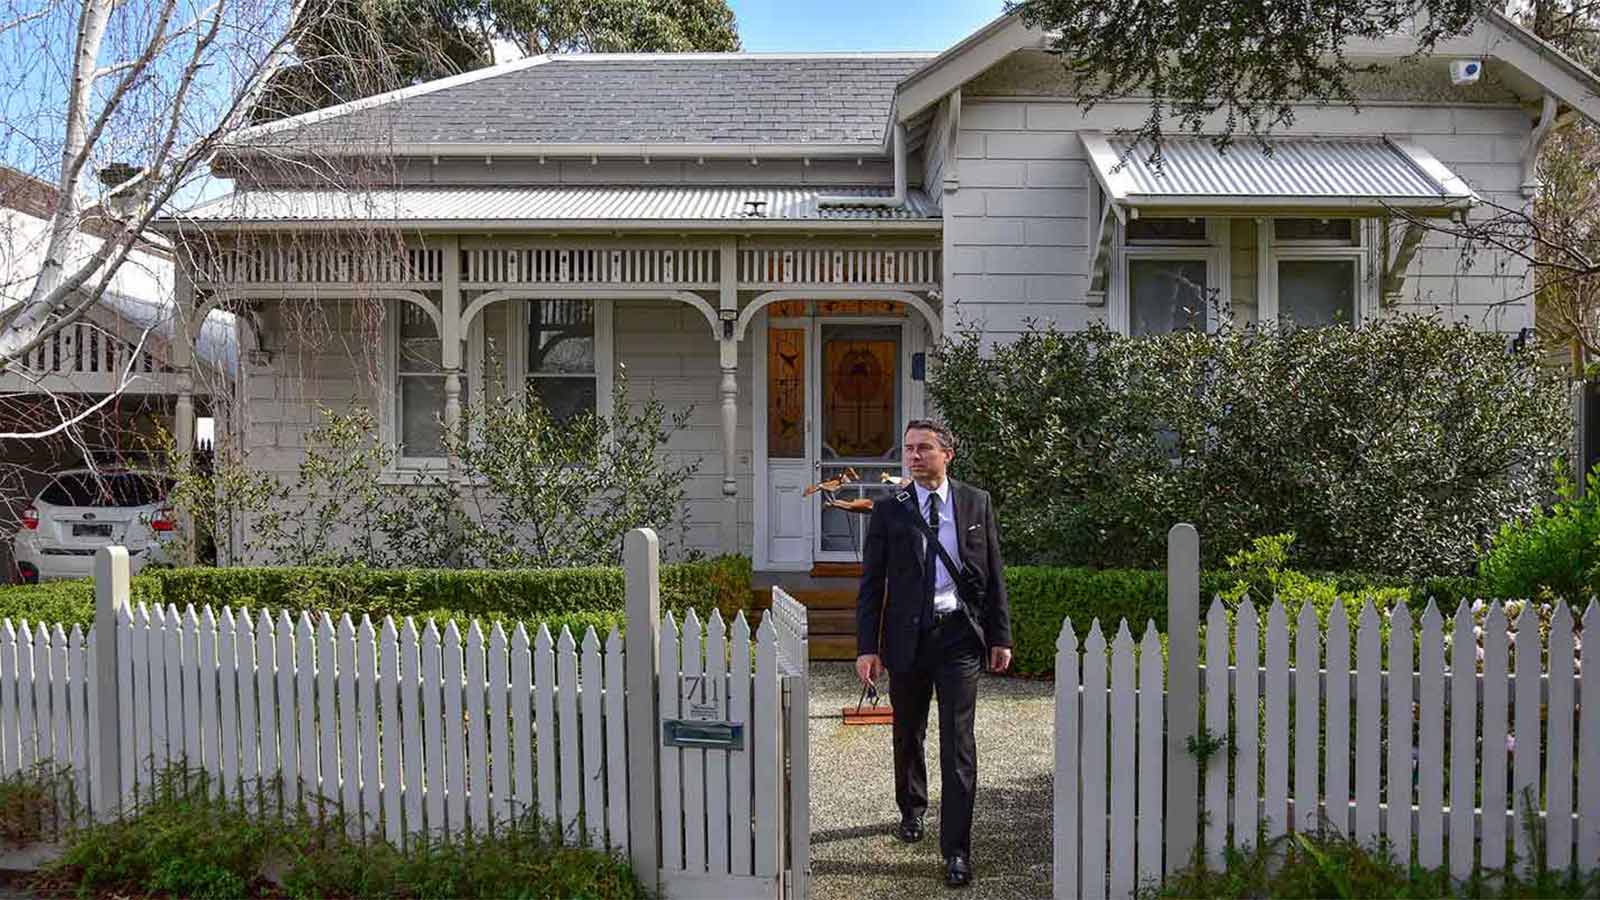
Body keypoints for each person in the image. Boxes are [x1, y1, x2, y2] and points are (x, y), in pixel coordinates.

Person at [854, 419, 1012, 888]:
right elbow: (871, 584)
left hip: (959, 638)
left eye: (924, 448)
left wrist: (999, 635)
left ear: (948, 454)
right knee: (908, 733)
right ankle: (912, 808)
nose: (914, 456)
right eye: (908, 448)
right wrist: (867, 648)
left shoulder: (975, 502)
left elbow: (995, 571)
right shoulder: (890, 510)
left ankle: (957, 851)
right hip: (907, 639)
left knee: (959, 742)